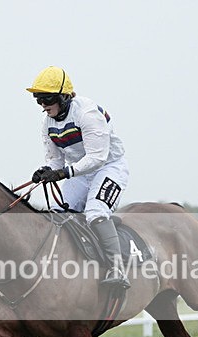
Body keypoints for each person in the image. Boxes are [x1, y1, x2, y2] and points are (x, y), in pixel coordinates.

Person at [27, 66, 131, 289]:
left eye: (47, 99)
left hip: (108, 167)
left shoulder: (87, 114)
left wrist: (63, 173)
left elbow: (97, 158)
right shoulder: (48, 124)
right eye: (38, 100)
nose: (43, 105)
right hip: (80, 172)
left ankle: (117, 268)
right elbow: (56, 161)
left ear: (64, 97)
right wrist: (46, 171)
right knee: (57, 215)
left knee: (95, 212)